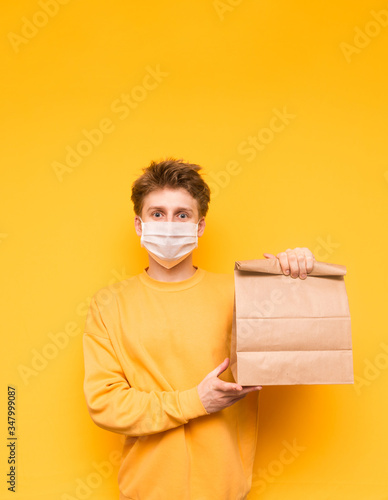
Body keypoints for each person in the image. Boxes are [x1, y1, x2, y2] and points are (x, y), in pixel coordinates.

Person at [83, 158, 315, 500]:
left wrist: (296, 279)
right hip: (144, 492)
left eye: (182, 214)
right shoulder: (109, 303)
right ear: (139, 224)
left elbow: (298, 349)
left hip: (225, 490)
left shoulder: (240, 293)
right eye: (157, 213)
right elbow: (105, 403)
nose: (169, 223)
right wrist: (196, 401)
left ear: (199, 226)